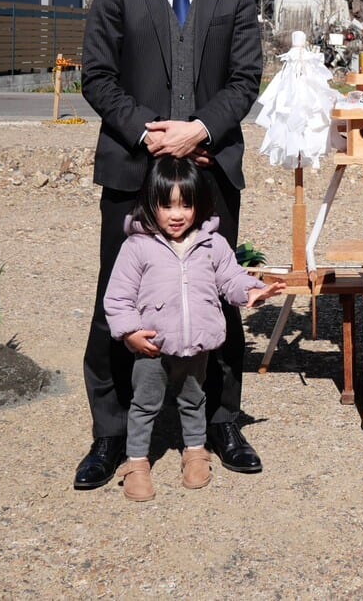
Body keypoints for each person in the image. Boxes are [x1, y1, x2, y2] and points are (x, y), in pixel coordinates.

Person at [75, 0, 264, 491]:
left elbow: (245, 82)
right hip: (134, 169)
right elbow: (95, 74)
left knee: (219, 295)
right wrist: (147, 130)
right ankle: (111, 433)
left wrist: (199, 129)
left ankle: (219, 421)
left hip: (210, 168)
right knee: (118, 299)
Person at [104, 156, 286, 502]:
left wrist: (252, 291)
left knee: (193, 399)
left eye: (186, 204)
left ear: (199, 205)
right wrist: (129, 333)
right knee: (144, 404)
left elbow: (230, 278)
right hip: (152, 345)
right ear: (150, 204)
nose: (177, 214)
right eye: (167, 205)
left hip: (196, 344)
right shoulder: (137, 246)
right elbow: (118, 298)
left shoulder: (212, 243)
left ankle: (195, 452)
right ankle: (137, 462)